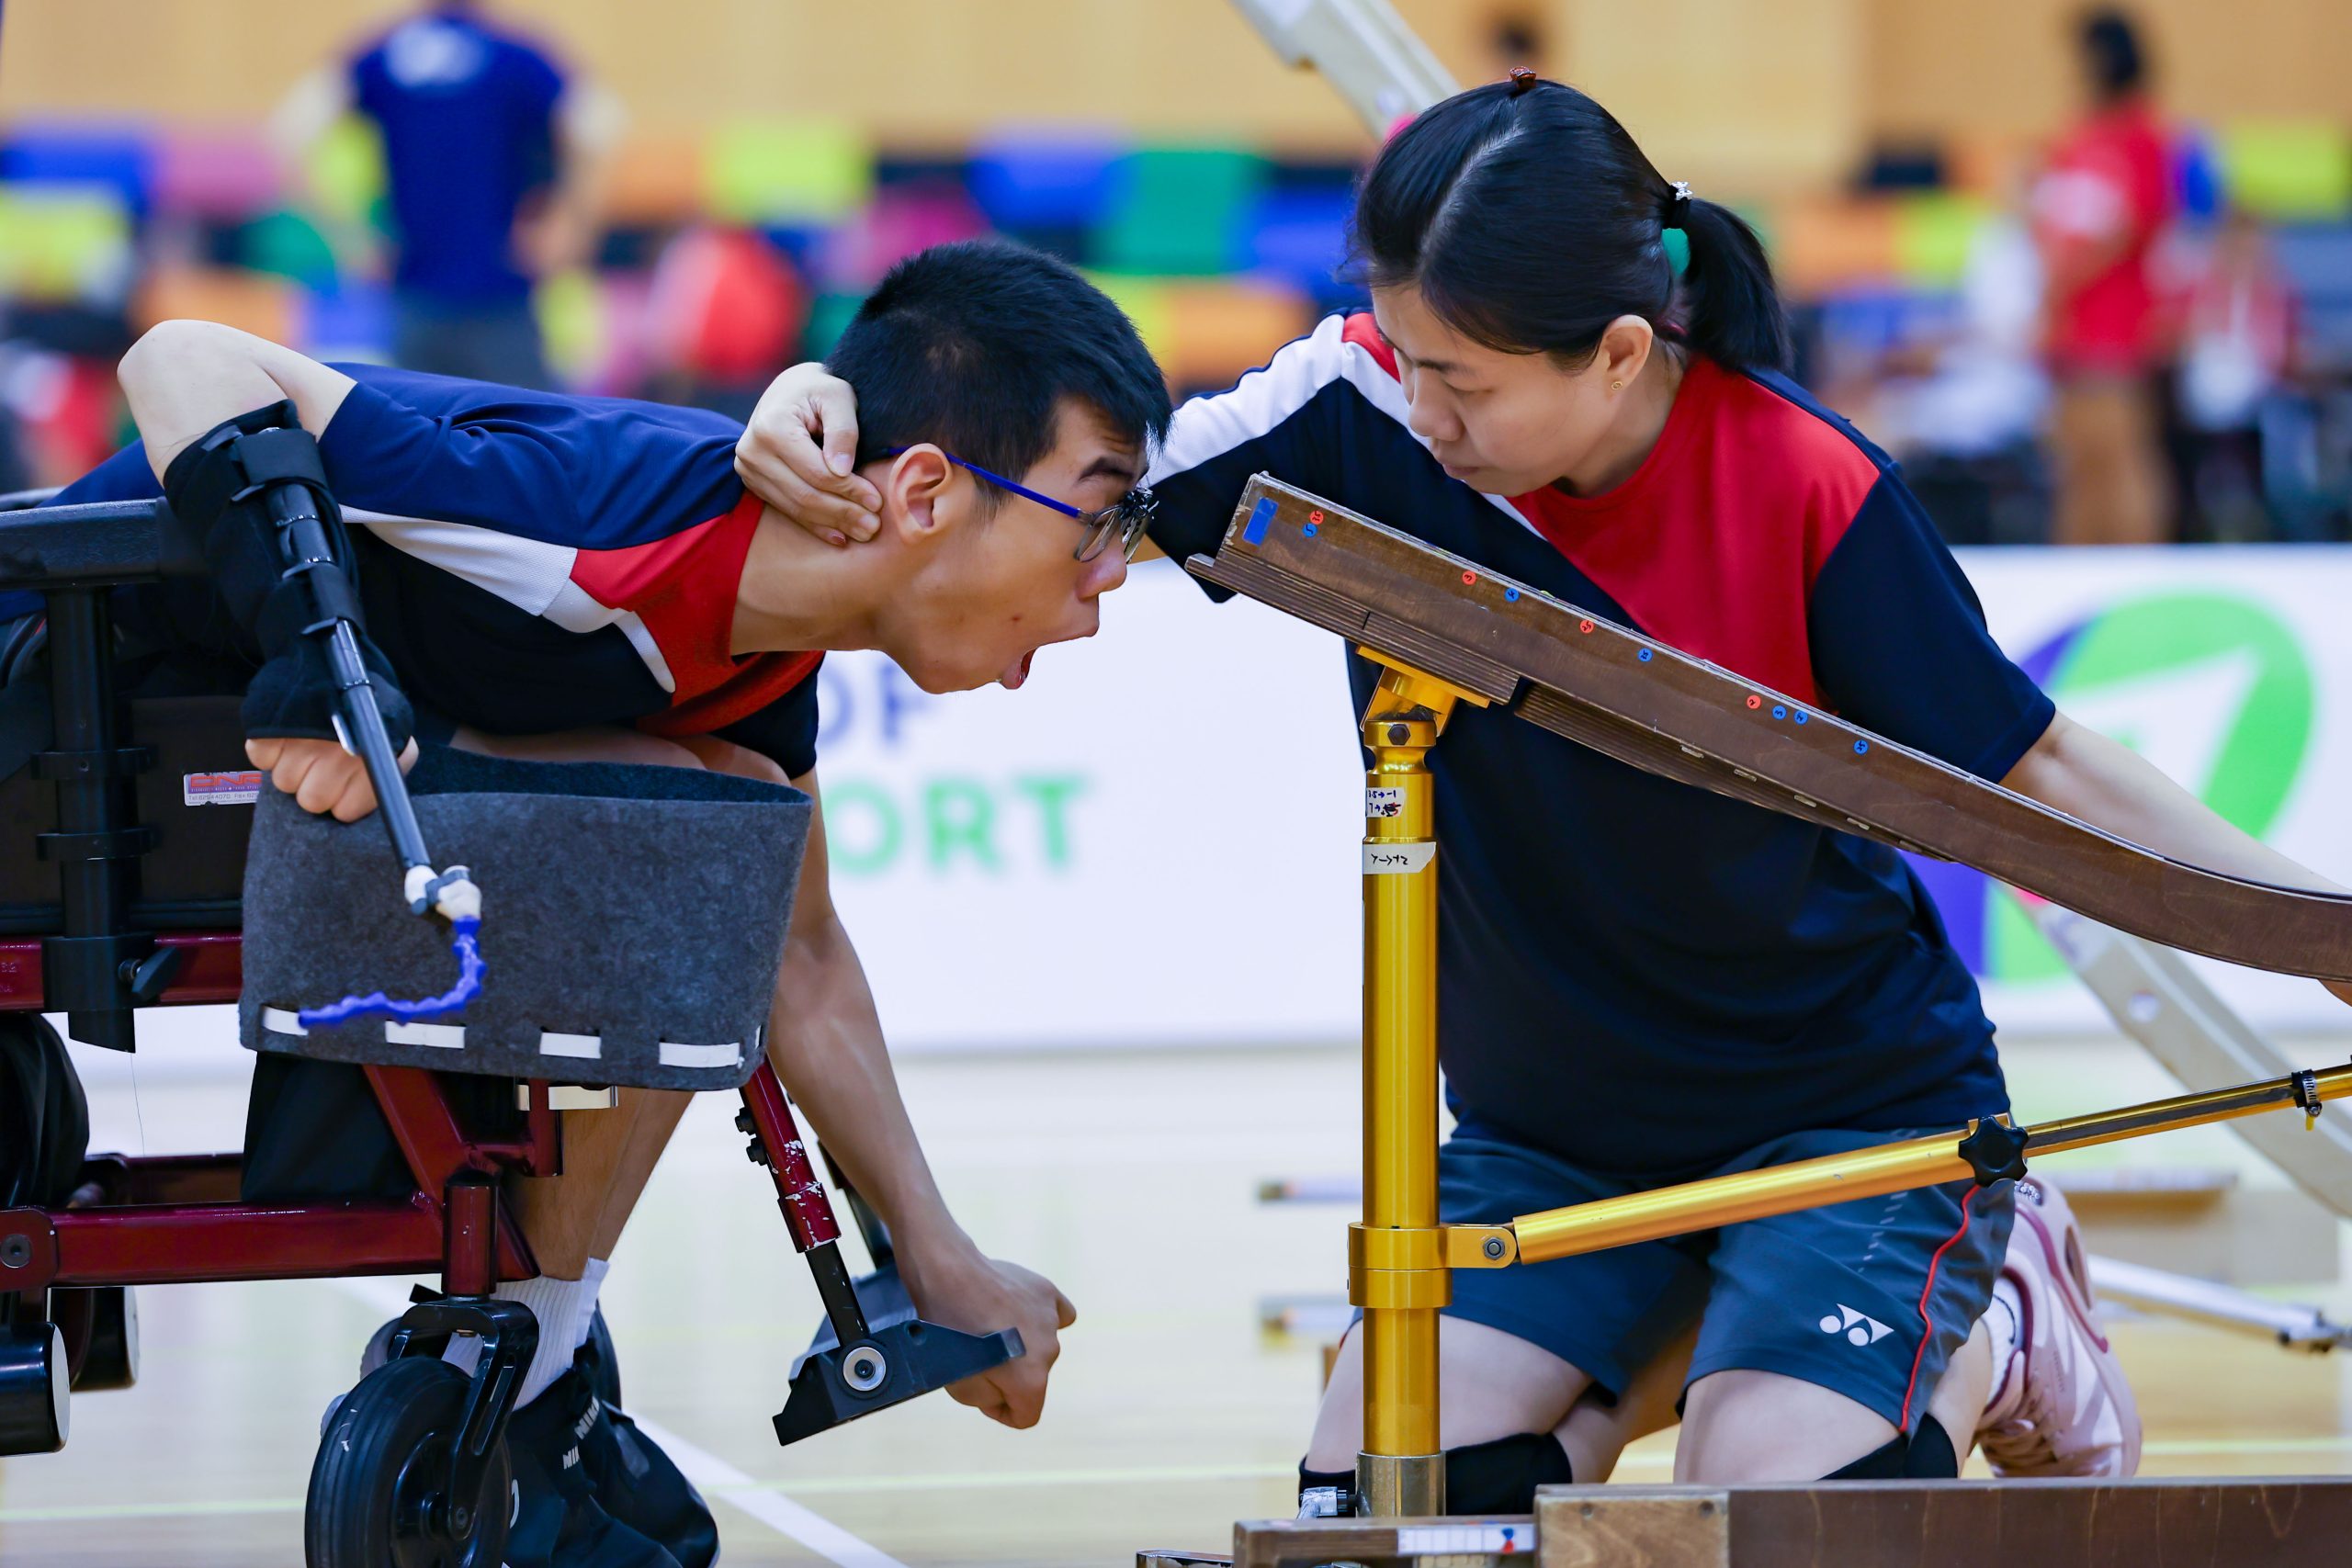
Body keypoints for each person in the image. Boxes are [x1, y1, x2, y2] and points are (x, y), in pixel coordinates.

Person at [737, 76, 2352, 1504]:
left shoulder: (1803, 482)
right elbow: (1051, 488)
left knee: (1769, 1506)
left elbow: (2042, 763)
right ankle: (1705, 1334)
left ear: (1623, 350)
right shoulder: (1358, 413)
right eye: (1401, 349)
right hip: (1552, 1138)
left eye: (1466, 381)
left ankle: (1996, 1326)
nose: (1420, 411)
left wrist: (2312, 927)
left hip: (1856, 1117)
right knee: (1388, 1496)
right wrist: (833, 414)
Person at [49, 238, 1164, 1567]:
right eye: (1098, 519)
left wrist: (941, 1258)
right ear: (925, 489)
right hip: (72, 712)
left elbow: (800, 955)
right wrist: (318, 664)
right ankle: (524, 1384)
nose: (1109, 581)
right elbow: (182, 357)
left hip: (260, 774)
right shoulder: (595, 516)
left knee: (723, 821)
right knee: (694, 816)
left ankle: (535, 1369)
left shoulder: (763, 661)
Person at [275, 0, 621, 388]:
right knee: (530, 431)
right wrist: (572, 224)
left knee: (425, 431)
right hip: (499, 288)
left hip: (416, 289)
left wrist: (349, 238)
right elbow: (601, 130)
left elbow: (292, 130)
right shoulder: (515, 55)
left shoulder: (382, 58)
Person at [2032, 8, 2177, 544]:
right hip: (2068, 320)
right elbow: (2050, 219)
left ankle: (2138, 564)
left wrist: (2065, 281)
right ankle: (2076, 568)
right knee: (2077, 455)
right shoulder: (2076, 139)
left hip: (2117, 319)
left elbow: (2134, 226)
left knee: (2121, 449)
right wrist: (2049, 297)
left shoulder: (2144, 137)